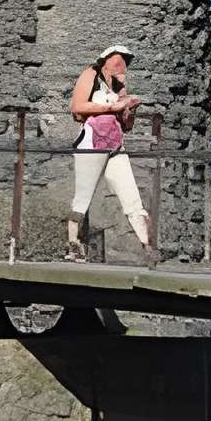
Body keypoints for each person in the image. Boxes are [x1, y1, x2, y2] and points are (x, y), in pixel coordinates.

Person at [67, 42, 151, 261]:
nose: (122, 64)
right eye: (118, 58)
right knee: (83, 196)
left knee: (130, 194)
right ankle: (73, 244)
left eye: (125, 60)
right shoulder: (91, 74)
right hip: (92, 142)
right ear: (106, 59)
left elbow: (126, 124)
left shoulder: (119, 85)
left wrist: (129, 108)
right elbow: (78, 107)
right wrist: (112, 107)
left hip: (115, 144)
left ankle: (148, 247)